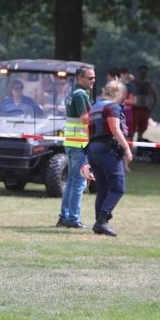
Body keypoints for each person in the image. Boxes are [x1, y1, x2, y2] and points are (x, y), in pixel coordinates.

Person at [86, 81, 133, 236]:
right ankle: (102, 221)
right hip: (107, 150)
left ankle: (99, 221)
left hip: (94, 149)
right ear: (118, 94)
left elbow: (89, 131)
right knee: (118, 188)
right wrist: (126, 148)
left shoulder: (94, 107)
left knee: (103, 190)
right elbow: (114, 128)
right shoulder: (112, 107)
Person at [57, 65, 96, 228]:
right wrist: (91, 139)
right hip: (80, 143)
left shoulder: (73, 93)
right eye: (90, 78)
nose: (93, 80)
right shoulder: (81, 95)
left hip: (71, 142)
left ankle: (64, 217)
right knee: (79, 182)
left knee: (72, 181)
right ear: (80, 78)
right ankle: (73, 219)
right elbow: (85, 119)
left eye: (94, 77)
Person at [132, 65, 159, 142]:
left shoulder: (149, 85)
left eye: (144, 72)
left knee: (141, 130)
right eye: (141, 72)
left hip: (145, 109)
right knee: (132, 130)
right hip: (135, 109)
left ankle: (138, 147)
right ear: (138, 72)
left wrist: (150, 110)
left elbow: (156, 98)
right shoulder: (134, 83)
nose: (142, 74)